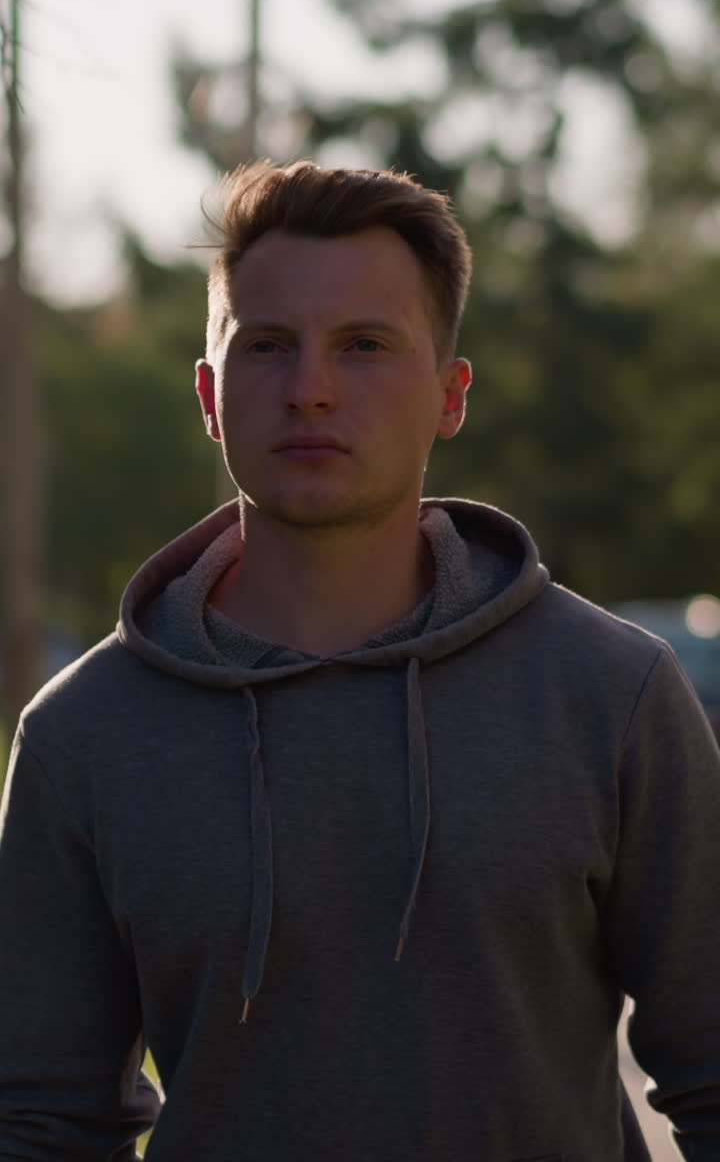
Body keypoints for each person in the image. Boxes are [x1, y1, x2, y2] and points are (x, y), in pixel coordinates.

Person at [1, 160, 719, 1162]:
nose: (310, 388)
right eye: (268, 346)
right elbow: (42, 1121)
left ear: (450, 394)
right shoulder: (83, 734)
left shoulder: (614, 695)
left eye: (365, 345)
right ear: (210, 394)